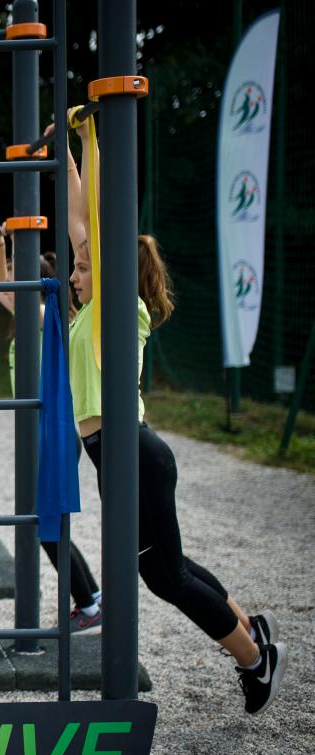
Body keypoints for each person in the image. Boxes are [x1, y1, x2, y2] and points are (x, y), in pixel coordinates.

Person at [65, 112, 286, 714]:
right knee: (171, 563)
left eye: (83, 267)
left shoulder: (118, 307)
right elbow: (80, 222)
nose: (74, 274)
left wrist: (93, 138)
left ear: (114, 270)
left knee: (165, 577)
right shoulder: (91, 312)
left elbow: (98, 222)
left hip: (131, 452)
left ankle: (255, 660)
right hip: (120, 452)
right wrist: (71, 147)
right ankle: (251, 628)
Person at [0, 219, 103, 634]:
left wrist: (6, 245)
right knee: (49, 522)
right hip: (46, 429)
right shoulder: (39, 316)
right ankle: (91, 597)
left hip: (52, 430)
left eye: (16, 275)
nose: (9, 283)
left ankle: (88, 603)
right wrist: (1, 246)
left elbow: (1, 289)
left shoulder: (43, 316)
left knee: (46, 523)